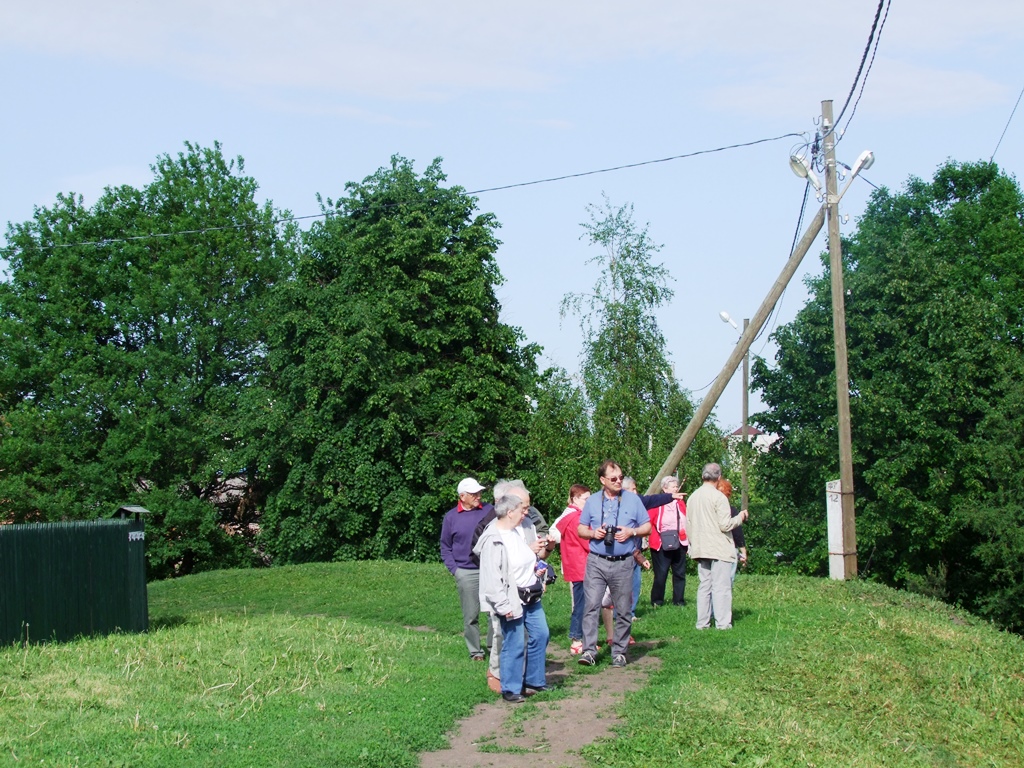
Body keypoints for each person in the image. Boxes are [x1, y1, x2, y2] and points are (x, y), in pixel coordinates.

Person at [474, 479, 550, 693]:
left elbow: (527, 559)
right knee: (514, 643)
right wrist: (503, 604)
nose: (527, 513)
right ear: (509, 511)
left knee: (541, 635)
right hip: (511, 599)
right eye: (522, 509)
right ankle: (511, 688)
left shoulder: (521, 529)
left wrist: (538, 573)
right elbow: (492, 576)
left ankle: (534, 681)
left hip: (531, 596)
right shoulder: (493, 537)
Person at [577, 461, 651, 668]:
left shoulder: (633, 500)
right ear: (602, 480)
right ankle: (589, 651)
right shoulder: (592, 501)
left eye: (620, 477)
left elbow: (648, 526)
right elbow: (580, 529)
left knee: (624, 609)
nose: (619, 481)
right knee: (591, 606)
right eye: (614, 478)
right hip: (597, 561)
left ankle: (619, 652)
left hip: (624, 562)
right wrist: (593, 533)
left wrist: (631, 532)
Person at [686, 463, 748, 630]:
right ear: (719, 477)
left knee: (704, 586)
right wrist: (741, 517)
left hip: (700, 547)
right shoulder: (719, 497)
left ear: (702, 476)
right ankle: (722, 623)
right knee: (721, 586)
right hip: (719, 548)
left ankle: (702, 623)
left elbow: (688, 525)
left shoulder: (693, 497)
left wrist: (693, 543)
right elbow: (725, 525)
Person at [439, 477, 495, 660]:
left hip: (489, 568)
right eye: (473, 494)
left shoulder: (489, 510)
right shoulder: (451, 517)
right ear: (462, 496)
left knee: (494, 611)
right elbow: (445, 546)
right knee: (471, 615)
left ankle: (494, 647)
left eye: (479, 492)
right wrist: (455, 570)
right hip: (465, 571)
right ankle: (475, 651)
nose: (478, 496)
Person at [548, 484, 591, 655]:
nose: (589, 502)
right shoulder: (576, 518)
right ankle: (577, 639)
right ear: (575, 499)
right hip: (582, 565)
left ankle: (581, 639)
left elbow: (556, 532)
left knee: (583, 603)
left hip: (575, 565)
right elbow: (586, 541)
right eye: (585, 499)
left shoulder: (569, 515)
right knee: (582, 605)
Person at [649, 475, 688, 606]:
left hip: (680, 542)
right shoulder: (657, 503)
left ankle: (679, 601)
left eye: (676, 486)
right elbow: (649, 522)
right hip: (661, 543)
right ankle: (657, 601)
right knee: (661, 574)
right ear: (665, 489)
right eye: (673, 487)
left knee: (680, 573)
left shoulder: (680, 503)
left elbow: (686, 519)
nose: (676, 489)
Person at [715, 478, 748, 583]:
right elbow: (737, 532)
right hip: (727, 549)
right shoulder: (731, 510)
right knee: (726, 582)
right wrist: (743, 552)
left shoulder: (708, 510)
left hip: (710, 548)